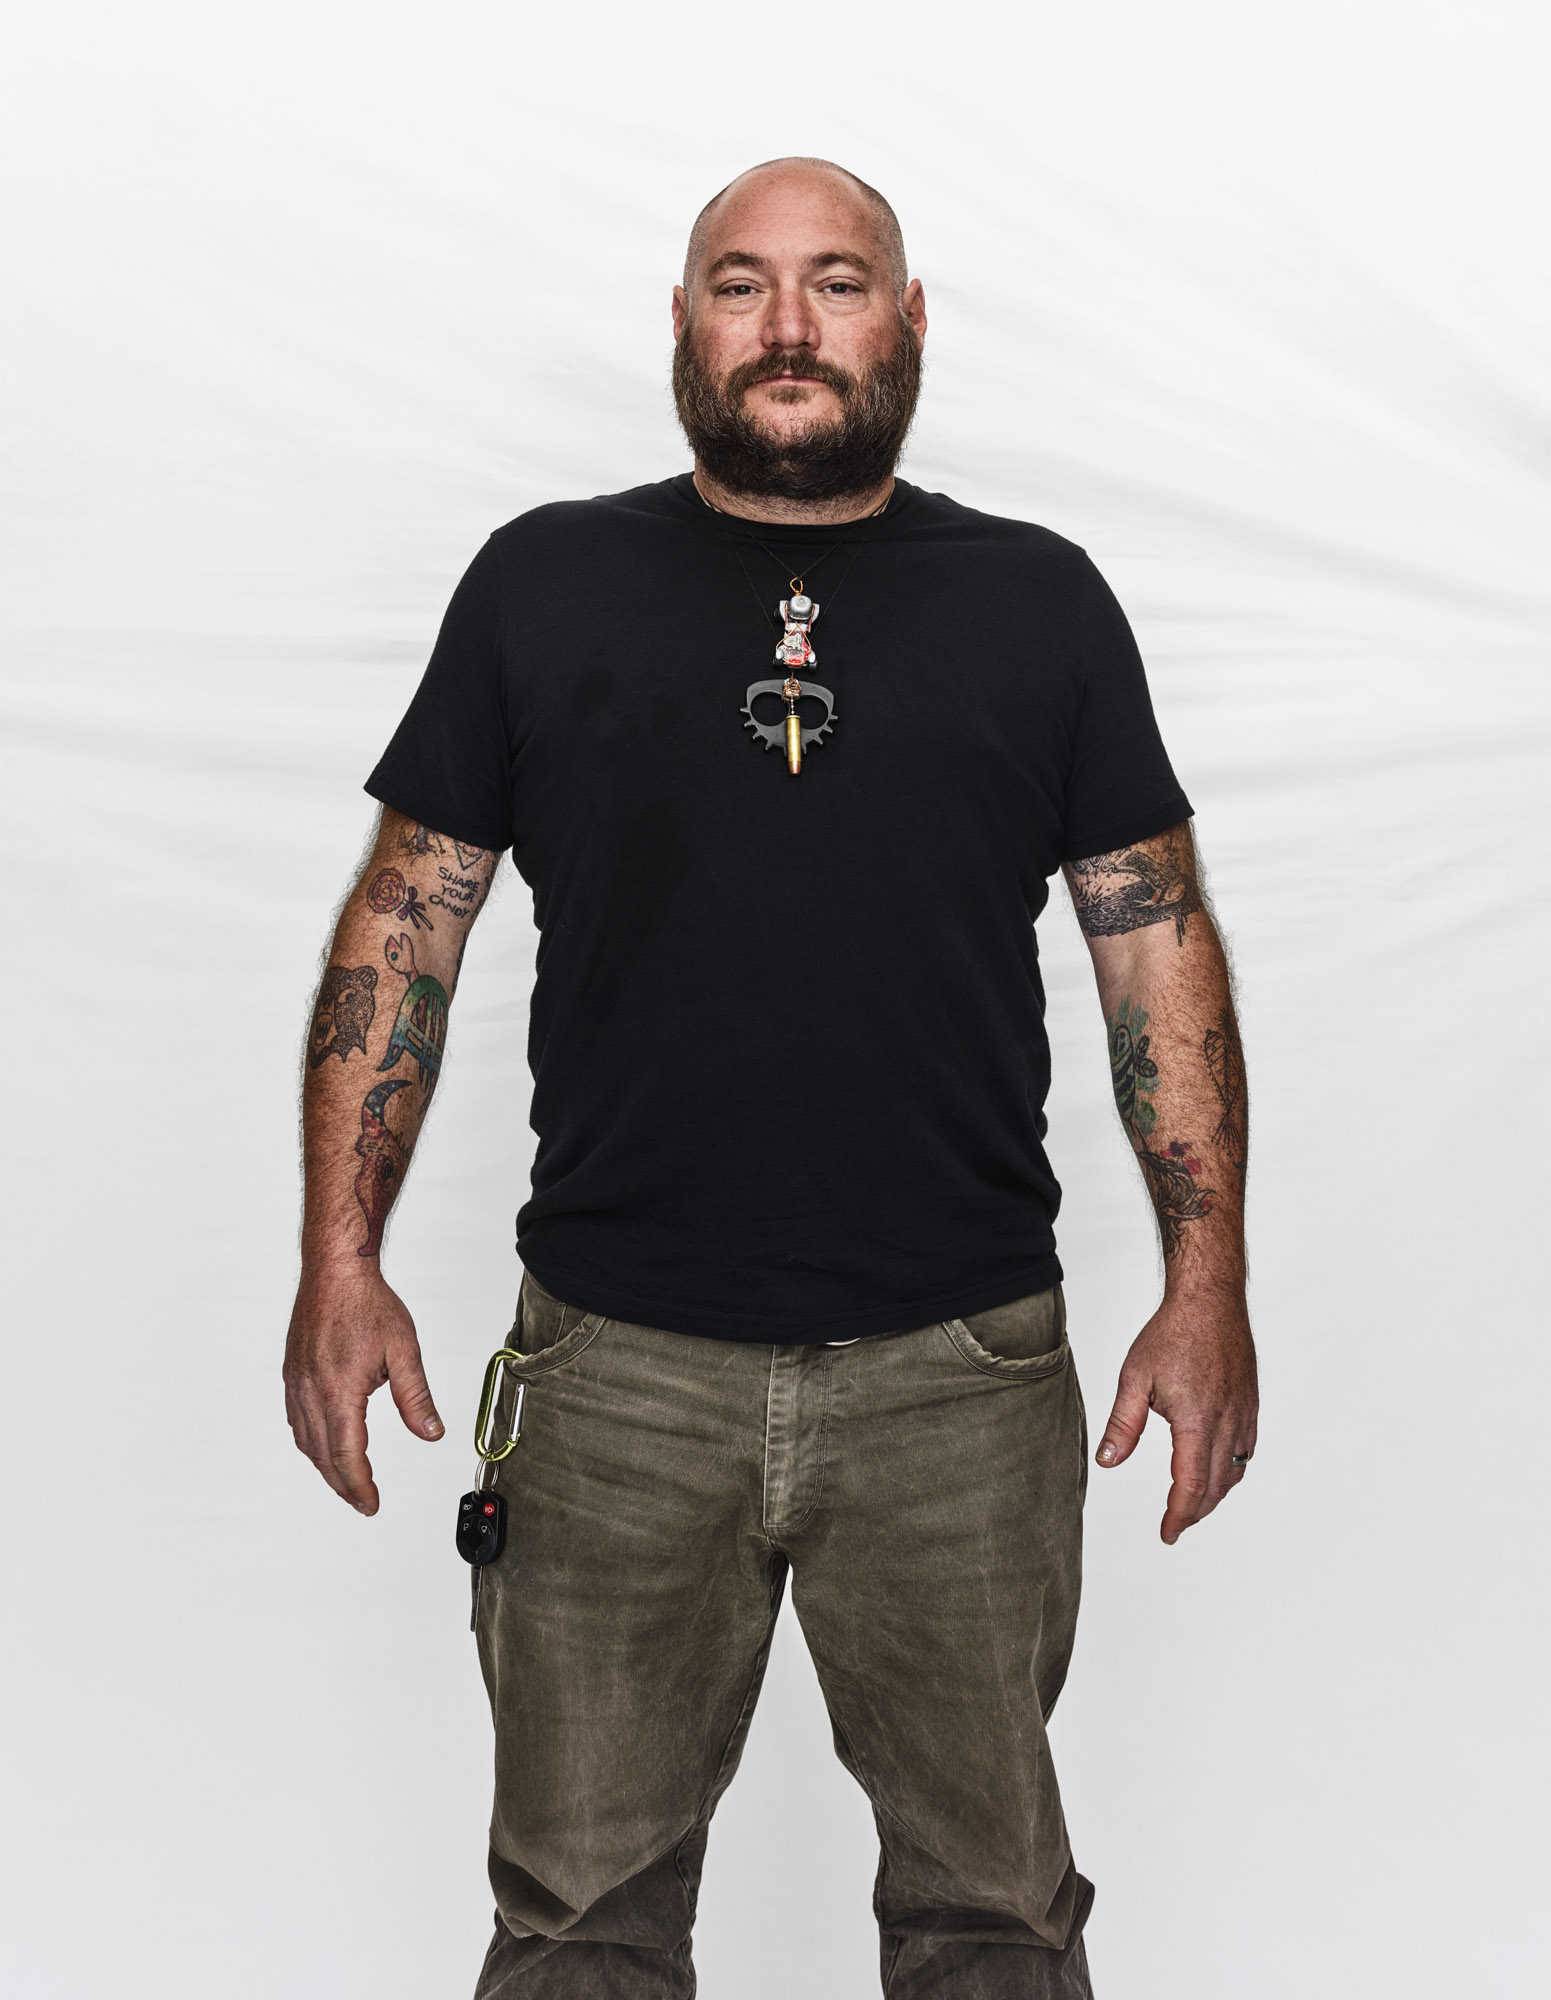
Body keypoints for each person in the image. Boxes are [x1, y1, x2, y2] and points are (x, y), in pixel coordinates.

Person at [284, 156, 1257, 2000]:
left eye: (837, 282)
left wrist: (1205, 1290)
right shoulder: (542, 581)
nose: (788, 327)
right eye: (741, 285)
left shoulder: (1041, 602)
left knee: (994, 1921)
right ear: (682, 323)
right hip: (613, 1375)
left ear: (910, 321)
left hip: (963, 1372)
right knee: (578, 1922)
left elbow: (1154, 945)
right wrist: (342, 1262)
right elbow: (407, 926)